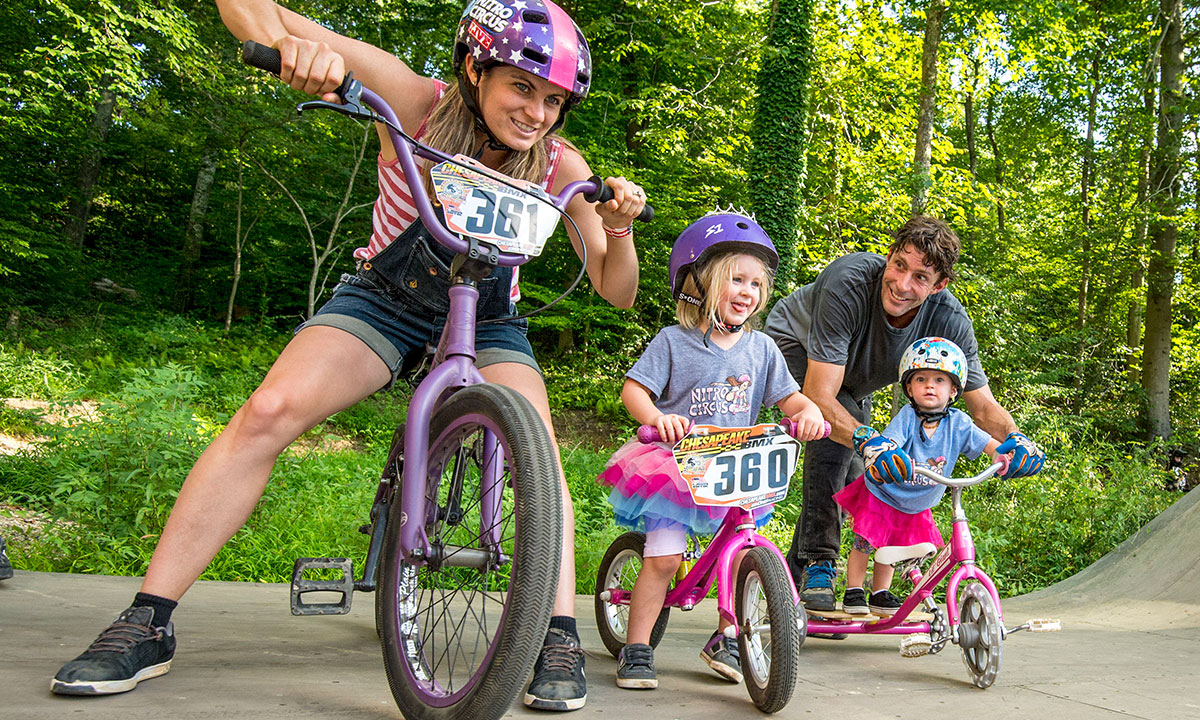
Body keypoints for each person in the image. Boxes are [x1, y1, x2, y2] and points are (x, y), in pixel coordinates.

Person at [52, 0, 647, 711]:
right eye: (521, 87)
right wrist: (290, 49)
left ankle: (555, 634)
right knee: (269, 410)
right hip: (388, 299)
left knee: (540, 451)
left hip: (488, 319)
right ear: (473, 68)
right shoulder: (412, 98)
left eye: (553, 100)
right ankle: (148, 620)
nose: (537, 113)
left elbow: (616, 291)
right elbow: (258, 12)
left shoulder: (559, 163)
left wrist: (621, 229)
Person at [763, 215, 1045, 614]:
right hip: (794, 349)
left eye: (920, 277)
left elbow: (981, 405)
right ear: (889, 256)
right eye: (899, 265)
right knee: (836, 444)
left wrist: (1016, 439)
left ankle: (788, 590)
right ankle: (819, 561)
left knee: (859, 477)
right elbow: (820, 396)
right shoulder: (849, 283)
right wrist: (866, 438)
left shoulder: (949, 320)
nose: (902, 284)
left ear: (939, 285)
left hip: (852, 380)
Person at [596, 211, 826, 689]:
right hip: (678, 466)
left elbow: (790, 397)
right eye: (735, 279)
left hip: (736, 466)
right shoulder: (673, 342)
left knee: (742, 556)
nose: (747, 291)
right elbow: (634, 390)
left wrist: (807, 412)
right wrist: (657, 418)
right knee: (661, 559)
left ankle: (727, 637)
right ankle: (637, 647)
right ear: (698, 285)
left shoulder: (762, 349)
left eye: (756, 284)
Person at [833, 337, 1011, 616]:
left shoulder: (960, 423)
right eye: (921, 379)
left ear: (954, 390)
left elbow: (984, 441)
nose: (930, 385)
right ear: (909, 388)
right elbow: (889, 442)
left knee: (895, 546)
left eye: (940, 380)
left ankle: (880, 593)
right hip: (884, 492)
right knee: (866, 540)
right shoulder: (907, 416)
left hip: (917, 501)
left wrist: (1000, 455)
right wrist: (884, 452)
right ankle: (854, 590)